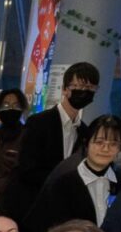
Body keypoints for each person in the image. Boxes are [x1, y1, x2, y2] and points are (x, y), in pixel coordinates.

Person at [23, 113, 121, 232]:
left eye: (113, 144)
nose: (105, 149)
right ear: (86, 143)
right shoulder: (64, 181)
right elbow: (47, 229)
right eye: (99, 142)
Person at [13, 62, 101, 207]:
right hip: (32, 203)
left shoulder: (84, 131)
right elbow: (26, 169)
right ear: (65, 89)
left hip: (62, 207)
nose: (85, 92)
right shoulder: (39, 122)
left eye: (91, 88)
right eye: (80, 86)